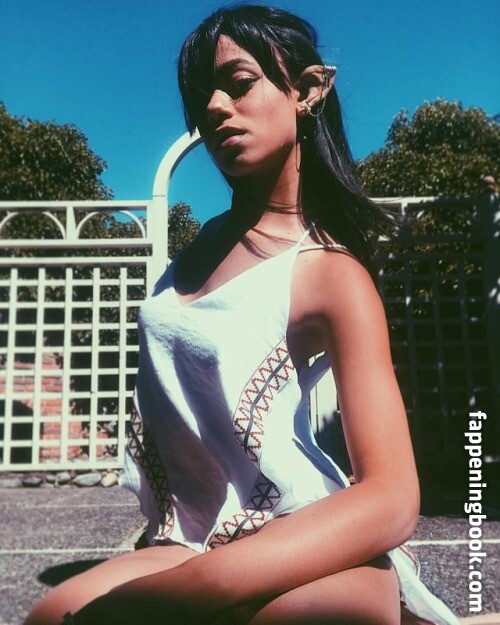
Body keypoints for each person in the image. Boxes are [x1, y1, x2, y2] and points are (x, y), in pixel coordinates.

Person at [25, 5, 460, 625]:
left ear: (307, 90)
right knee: (52, 616)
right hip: (190, 539)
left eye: (239, 82)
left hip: (310, 536)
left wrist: (188, 590)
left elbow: (391, 498)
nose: (214, 107)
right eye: (201, 94)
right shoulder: (199, 247)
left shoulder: (329, 273)